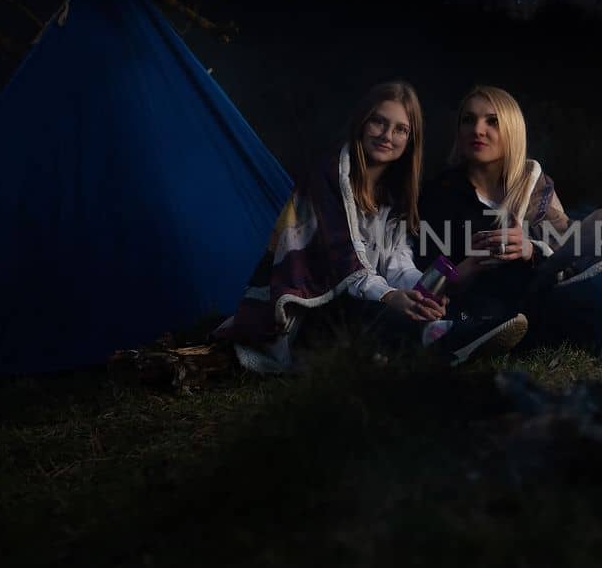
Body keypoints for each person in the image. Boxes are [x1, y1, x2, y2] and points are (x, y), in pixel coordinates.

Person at [215, 81, 529, 372]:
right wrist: (391, 296)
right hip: (310, 306)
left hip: (365, 299)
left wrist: (421, 292)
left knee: (410, 307)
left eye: (400, 129)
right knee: (360, 308)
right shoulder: (328, 175)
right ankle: (449, 338)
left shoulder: (394, 194)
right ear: (362, 123)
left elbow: (397, 261)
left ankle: (448, 332)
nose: (387, 135)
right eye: (379, 122)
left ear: (410, 140)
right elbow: (343, 264)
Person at [417, 85, 602, 349]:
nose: (478, 130)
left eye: (492, 122)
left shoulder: (532, 181)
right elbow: (426, 278)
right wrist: (472, 263)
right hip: (503, 299)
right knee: (593, 285)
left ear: (512, 130)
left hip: (551, 275)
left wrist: (530, 249)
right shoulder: (441, 193)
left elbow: (564, 241)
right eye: (468, 120)